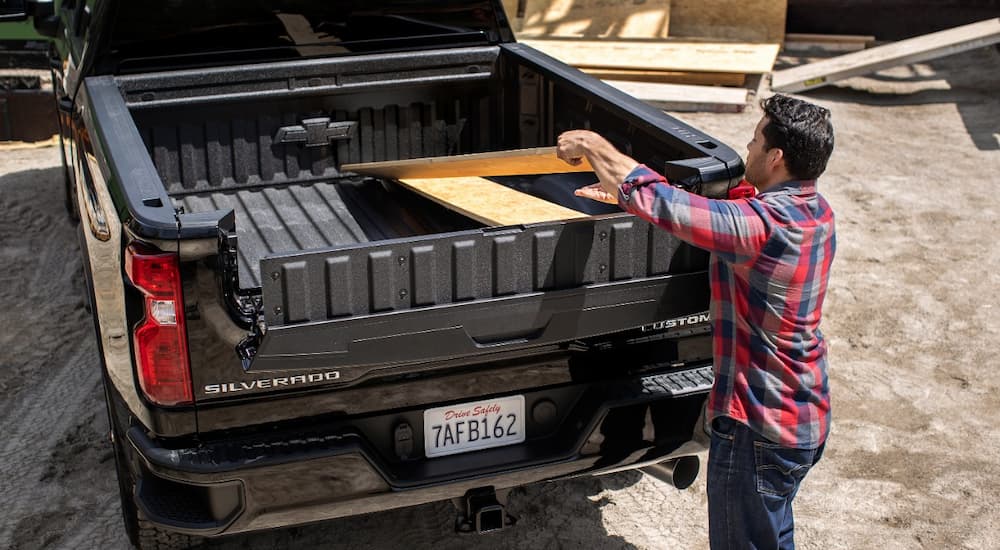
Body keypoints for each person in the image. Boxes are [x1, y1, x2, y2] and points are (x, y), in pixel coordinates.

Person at [556, 94, 836, 550]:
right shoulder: (816, 212)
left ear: (776, 157)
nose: (747, 148)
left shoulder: (761, 229)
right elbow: (734, 206)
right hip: (803, 417)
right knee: (771, 537)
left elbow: (663, 204)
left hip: (759, 429)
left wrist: (592, 145)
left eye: (754, 140)